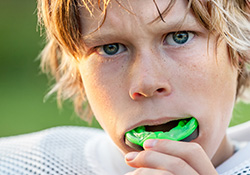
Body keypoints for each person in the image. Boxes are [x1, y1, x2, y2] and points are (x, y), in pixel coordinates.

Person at [0, 0, 250, 174]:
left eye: (179, 37)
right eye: (111, 48)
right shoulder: (25, 164)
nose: (146, 83)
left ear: (240, 45)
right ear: (77, 70)